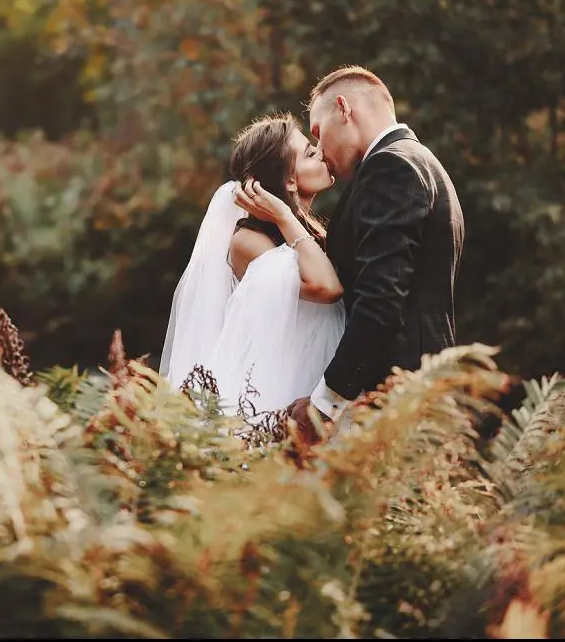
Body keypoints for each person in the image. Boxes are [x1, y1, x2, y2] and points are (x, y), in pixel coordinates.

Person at [249, 66, 465, 440]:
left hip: (397, 401)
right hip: (421, 395)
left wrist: (324, 404)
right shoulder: (422, 162)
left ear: (344, 110)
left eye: (318, 131)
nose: (318, 147)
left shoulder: (390, 166)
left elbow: (381, 300)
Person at [160, 114, 346, 424]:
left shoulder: (306, 227)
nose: (321, 152)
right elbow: (327, 288)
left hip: (321, 381)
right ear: (288, 180)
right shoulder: (247, 241)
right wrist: (284, 217)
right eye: (309, 154)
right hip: (276, 392)